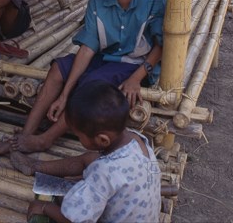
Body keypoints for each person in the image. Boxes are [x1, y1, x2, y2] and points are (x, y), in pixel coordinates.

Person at [0, 0, 165, 155]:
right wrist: (64, 95)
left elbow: (160, 46)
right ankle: (25, 134)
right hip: (106, 60)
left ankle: (45, 140)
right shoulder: (98, 0)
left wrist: (136, 78)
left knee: (92, 83)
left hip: (137, 65)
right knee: (58, 68)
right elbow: (87, 48)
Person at [10, 81, 161, 223]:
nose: (78, 138)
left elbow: (75, 220)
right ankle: (36, 166)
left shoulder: (103, 172)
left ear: (102, 140)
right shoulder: (138, 140)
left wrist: (44, 208)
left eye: (78, 136)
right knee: (92, 159)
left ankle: (38, 170)